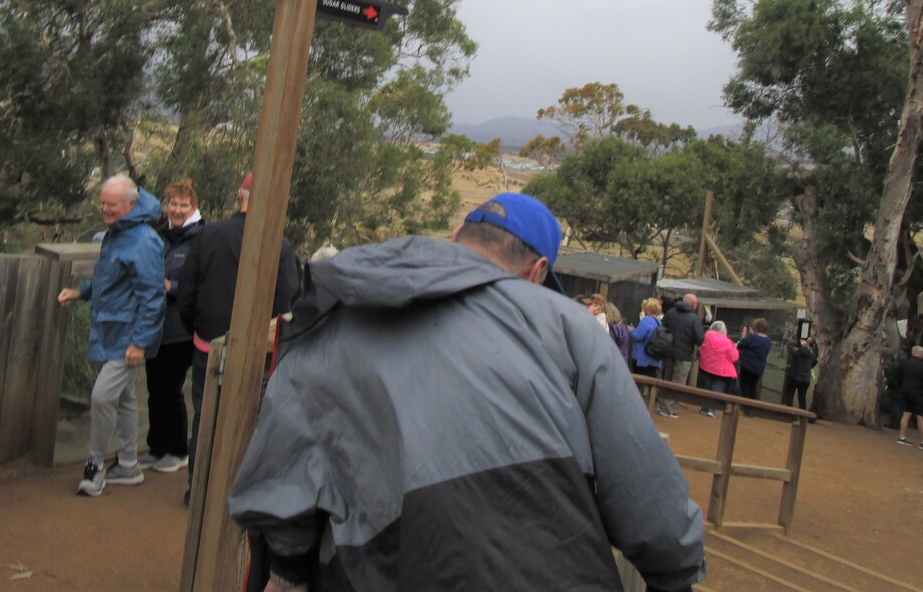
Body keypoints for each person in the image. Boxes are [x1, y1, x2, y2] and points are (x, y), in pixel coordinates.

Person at [228, 193, 706, 592]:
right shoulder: (567, 326)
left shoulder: (339, 315)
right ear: (538, 269)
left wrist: (289, 568)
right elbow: (648, 492)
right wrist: (675, 573)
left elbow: (284, 472)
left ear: (456, 238)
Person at [176, 172, 299, 493]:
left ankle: (198, 485)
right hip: (256, 351)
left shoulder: (209, 235)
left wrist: (198, 330)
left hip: (208, 345)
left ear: (239, 196)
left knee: (205, 416)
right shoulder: (279, 244)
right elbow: (287, 300)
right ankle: (238, 487)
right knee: (249, 417)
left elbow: (186, 292)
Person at [57, 175, 166, 496]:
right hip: (111, 327)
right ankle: (129, 465)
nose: (105, 209)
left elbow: (152, 296)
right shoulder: (117, 234)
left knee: (102, 396)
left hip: (128, 335)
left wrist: (139, 342)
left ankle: (94, 467)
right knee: (125, 398)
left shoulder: (144, 240)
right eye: (102, 203)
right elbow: (110, 281)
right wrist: (81, 292)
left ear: (131, 205)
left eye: (111, 204)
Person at [138, 178, 204, 474]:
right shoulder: (158, 236)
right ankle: (157, 446)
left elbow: (203, 283)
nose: (177, 210)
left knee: (171, 388)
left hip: (182, 327)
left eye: (183, 205)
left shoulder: (202, 239)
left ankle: (178, 450)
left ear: (194, 208)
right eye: (173, 204)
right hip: (153, 324)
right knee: (154, 387)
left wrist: (170, 286)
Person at [656, 292, 704, 418]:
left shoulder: (670, 312)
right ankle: (666, 408)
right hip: (684, 354)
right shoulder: (694, 319)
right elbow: (699, 339)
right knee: (678, 383)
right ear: (693, 305)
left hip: (668, 350)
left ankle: (661, 404)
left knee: (667, 378)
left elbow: (662, 327)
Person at [897, 345, 923, 450]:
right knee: (921, 417)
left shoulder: (904, 363)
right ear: (921, 354)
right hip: (920, 394)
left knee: (906, 414)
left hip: (906, 391)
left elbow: (899, 376)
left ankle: (902, 436)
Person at [697, 321, 739, 417]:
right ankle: (712, 410)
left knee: (706, 388)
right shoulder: (727, 342)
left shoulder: (706, 337)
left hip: (706, 367)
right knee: (717, 389)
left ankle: (704, 408)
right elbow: (734, 357)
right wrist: (735, 348)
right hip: (721, 371)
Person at [736, 318, 772, 401]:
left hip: (748, 365)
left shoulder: (753, 337)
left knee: (744, 386)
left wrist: (744, 335)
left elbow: (741, 345)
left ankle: (746, 406)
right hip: (759, 368)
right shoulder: (768, 340)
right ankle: (751, 406)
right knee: (752, 387)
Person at [628, 296, 665, 377]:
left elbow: (637, 336)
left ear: (648, 308)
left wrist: (630, 330)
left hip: (642, 359)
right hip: (655, 360)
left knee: (639, 384)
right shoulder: (659, 322)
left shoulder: (647, 320)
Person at [780, 336, 816, 412]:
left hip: (794, 377)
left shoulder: (798, 353)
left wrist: (798, 342)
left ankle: (790, 413)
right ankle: (802, 415)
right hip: (805, 379)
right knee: (802, 397)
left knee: (790, 396)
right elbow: (815, 360)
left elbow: (789, 344)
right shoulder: (812, 355)